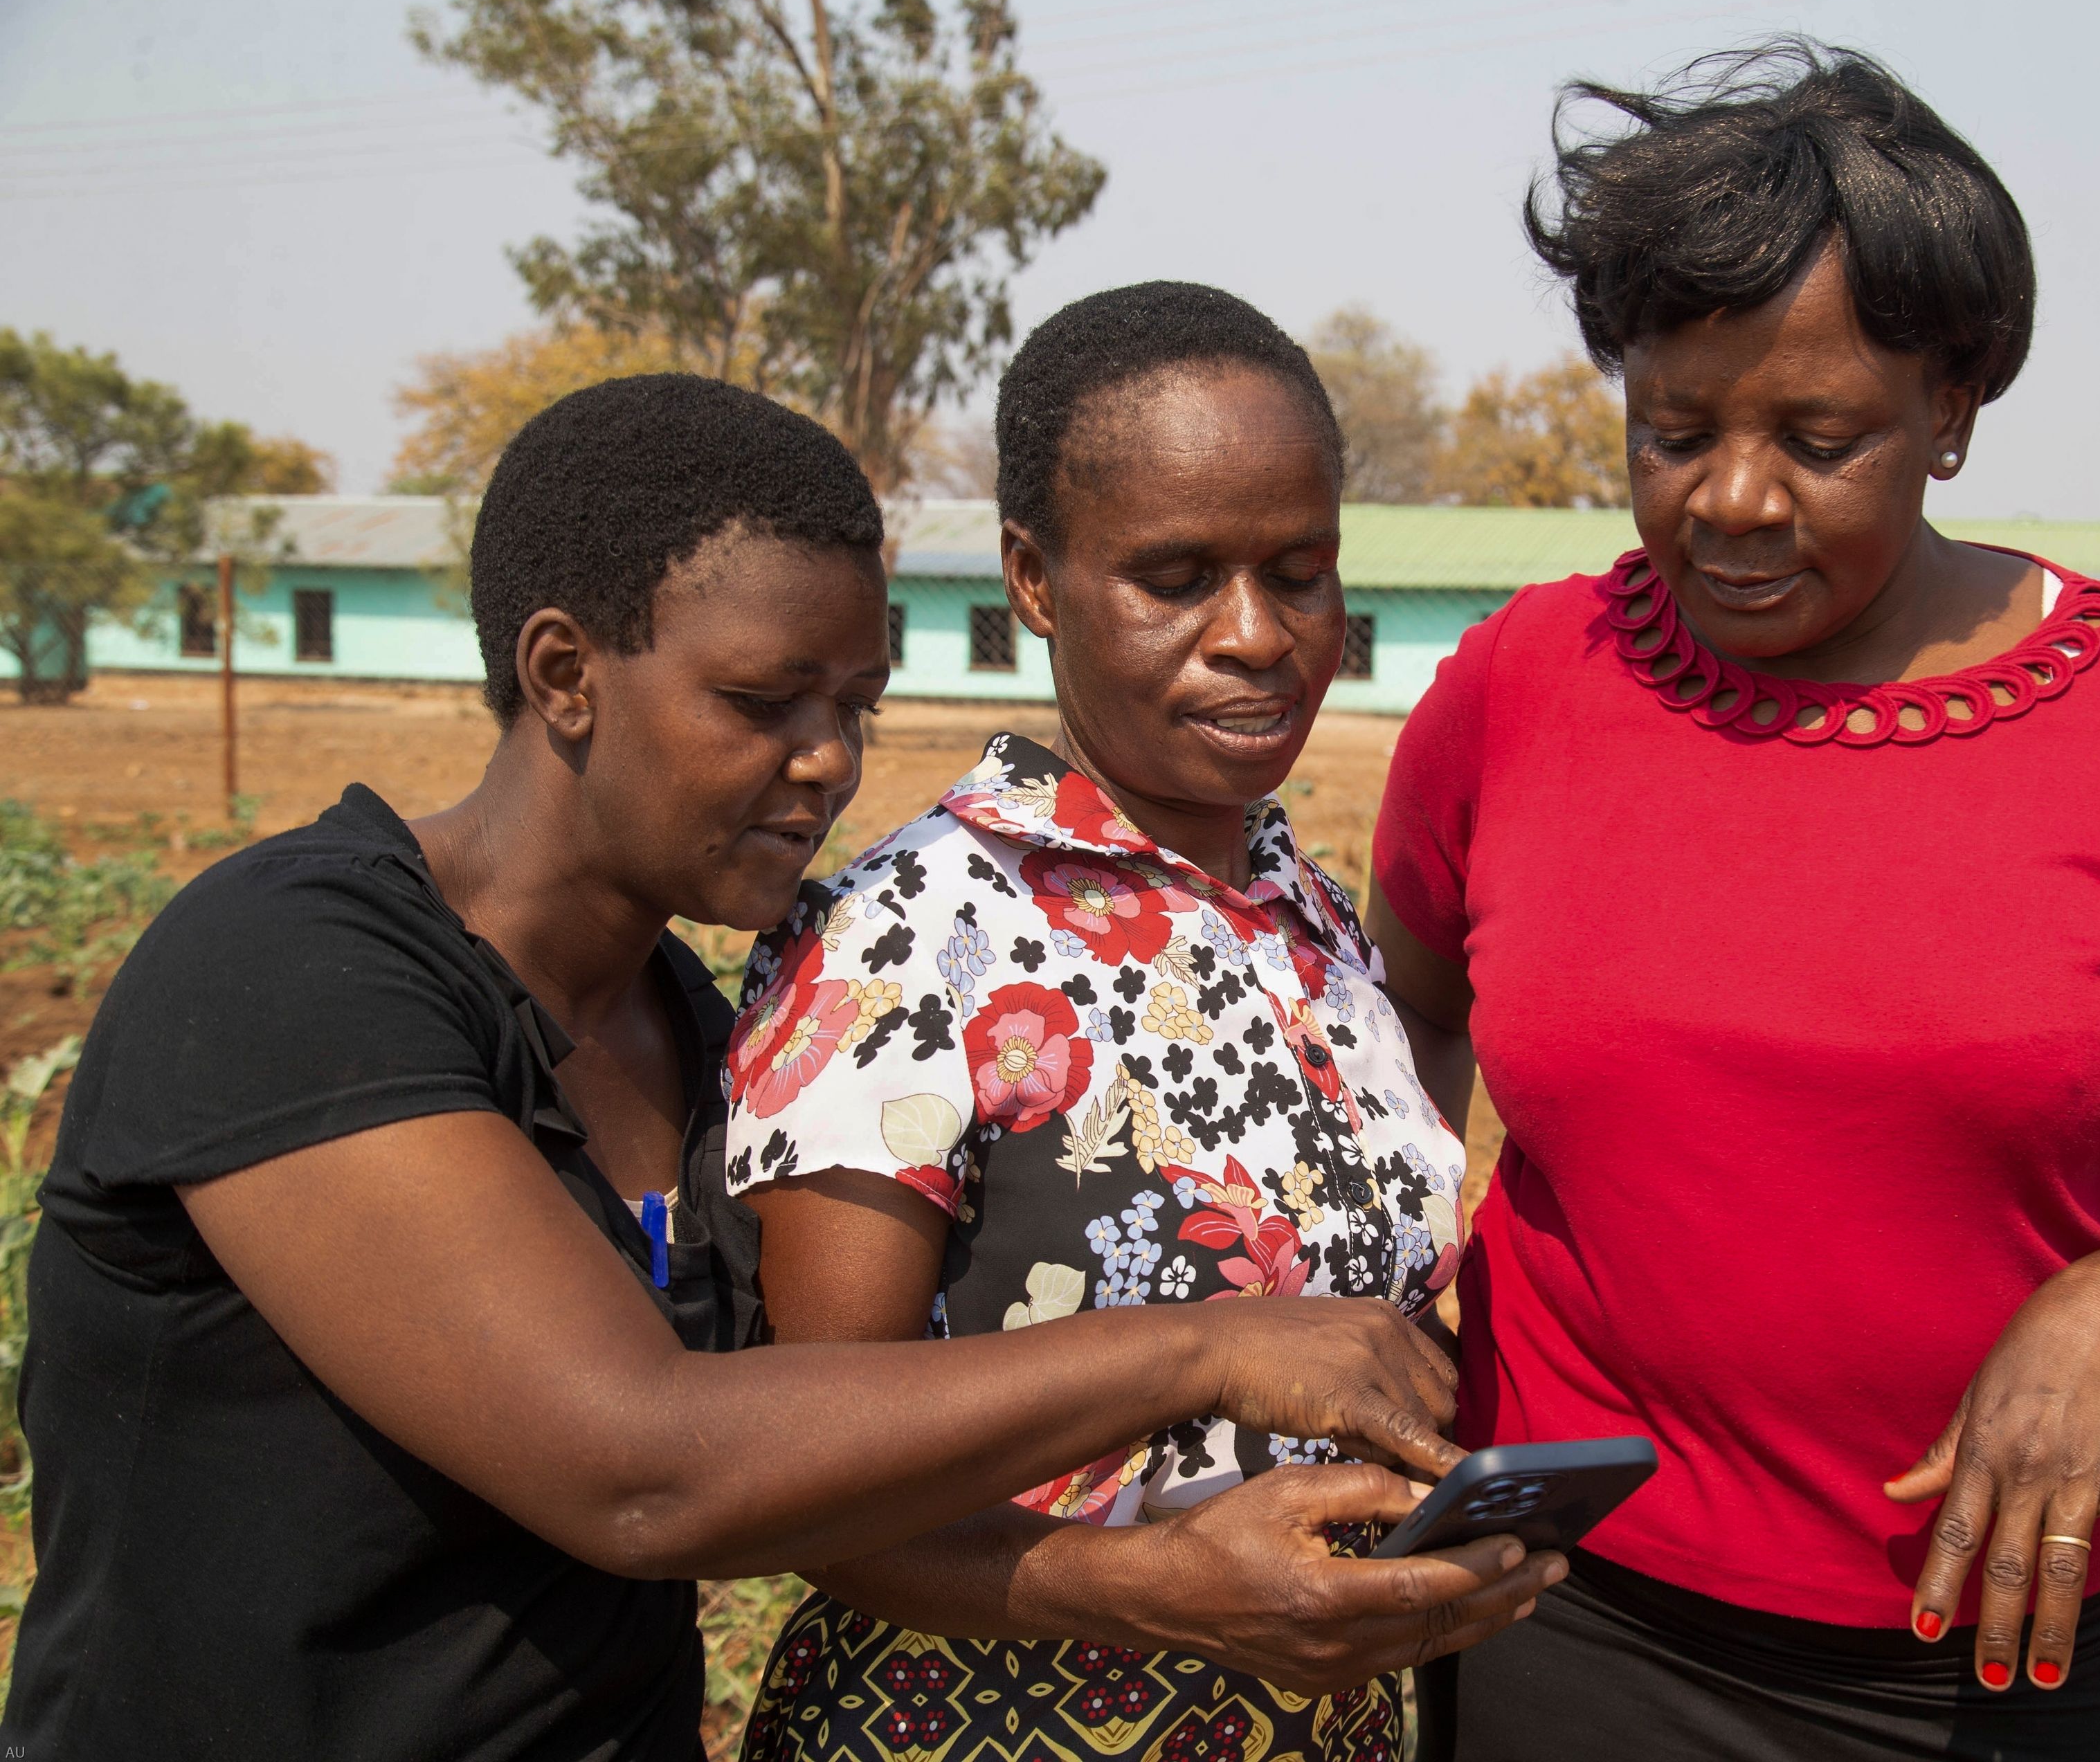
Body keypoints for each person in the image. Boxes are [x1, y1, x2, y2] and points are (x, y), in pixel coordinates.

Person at [5, 374, 1525, 1762]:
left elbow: (812, 1442)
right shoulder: (297, 968)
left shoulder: (682, 1014)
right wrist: (1205, 1346)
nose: (827, 762)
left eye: (853, 707)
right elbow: (644, 1470)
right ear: (564, 671)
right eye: (762, 701)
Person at [1368, 44, 2100, 1760]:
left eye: (1819, 438)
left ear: (1954, 410)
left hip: (2004, 1639)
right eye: (1675, 431)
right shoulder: (1522, 688)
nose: (1736, 500)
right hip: (1571, 1619)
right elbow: (1398, 1031)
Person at [723, 281, 1539, 1762]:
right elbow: (802, 1469)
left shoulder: (1319, 922)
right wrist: (1153, 1589)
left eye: (1301, 571)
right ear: (1034, 578)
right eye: (1175, 576)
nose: (1256, 635)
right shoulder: (915, 935)